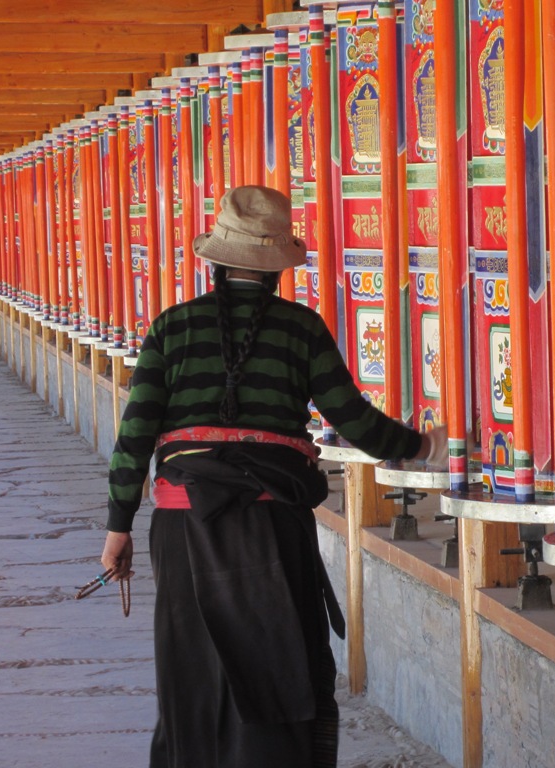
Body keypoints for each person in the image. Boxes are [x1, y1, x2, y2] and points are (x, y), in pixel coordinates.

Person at [99, 185, 446, 768]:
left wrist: (117, 530)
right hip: (272, 526)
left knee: (194, 669)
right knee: (279, 665)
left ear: (217, 261)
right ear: (277, 270)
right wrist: (421, 447)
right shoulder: (300, 330)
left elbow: (135, 436)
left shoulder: (172, 328)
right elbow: (353, 420)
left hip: (185, 530)